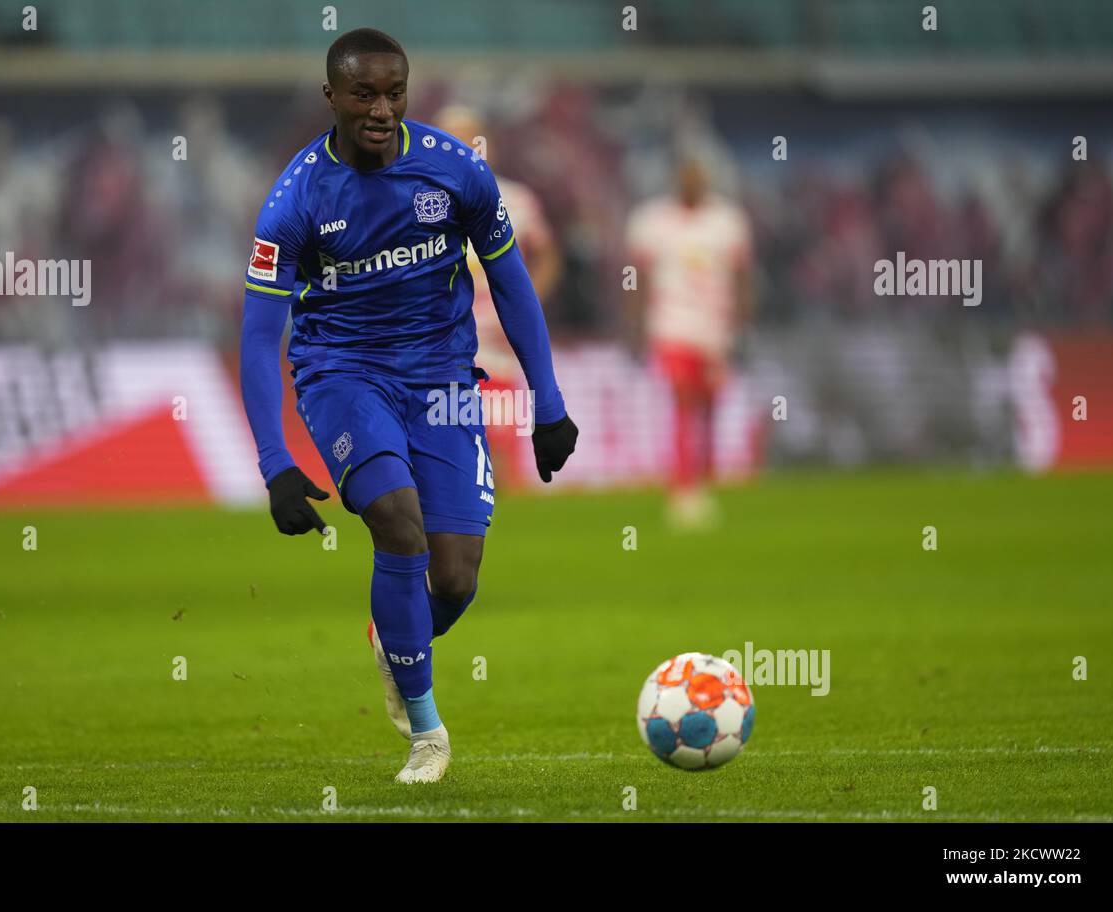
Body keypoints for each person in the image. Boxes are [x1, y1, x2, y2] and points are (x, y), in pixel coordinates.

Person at [239, 28, 578, 783]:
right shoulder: (294, 201)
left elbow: (513, 283)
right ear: (332, 97)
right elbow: (260, 338)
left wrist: (548, 404)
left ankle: (395, 640)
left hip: (445, 382)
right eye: (364, 94)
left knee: (455, 577)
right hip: (343, 377)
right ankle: (428, 735)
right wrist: (275, 464)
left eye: (394, 92)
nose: (382, 109)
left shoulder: (457, 172)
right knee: (397, 519)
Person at [433, 104, 562, 486]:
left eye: (467, 138)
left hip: (496, 338)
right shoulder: (418, 201)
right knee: (451, 442)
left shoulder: (515, 200)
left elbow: (548, 256)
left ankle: (508, 524)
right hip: (442, 339)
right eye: (449, 139)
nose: (459, 147)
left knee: (501, 438)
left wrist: (527, 304)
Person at [626, 156, 752, 529]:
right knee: (682, 396)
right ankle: (683, 487)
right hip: (672, 324)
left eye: (697, 176)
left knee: (709, 403)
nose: (691, 183)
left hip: (715, 329)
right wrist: (634, 326)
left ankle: (705, 477)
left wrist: (742, 325)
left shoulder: (727, 222)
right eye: (685, 176)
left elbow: (742, 277)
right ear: (675, 179)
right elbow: (637, 277)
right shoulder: (651, 221)